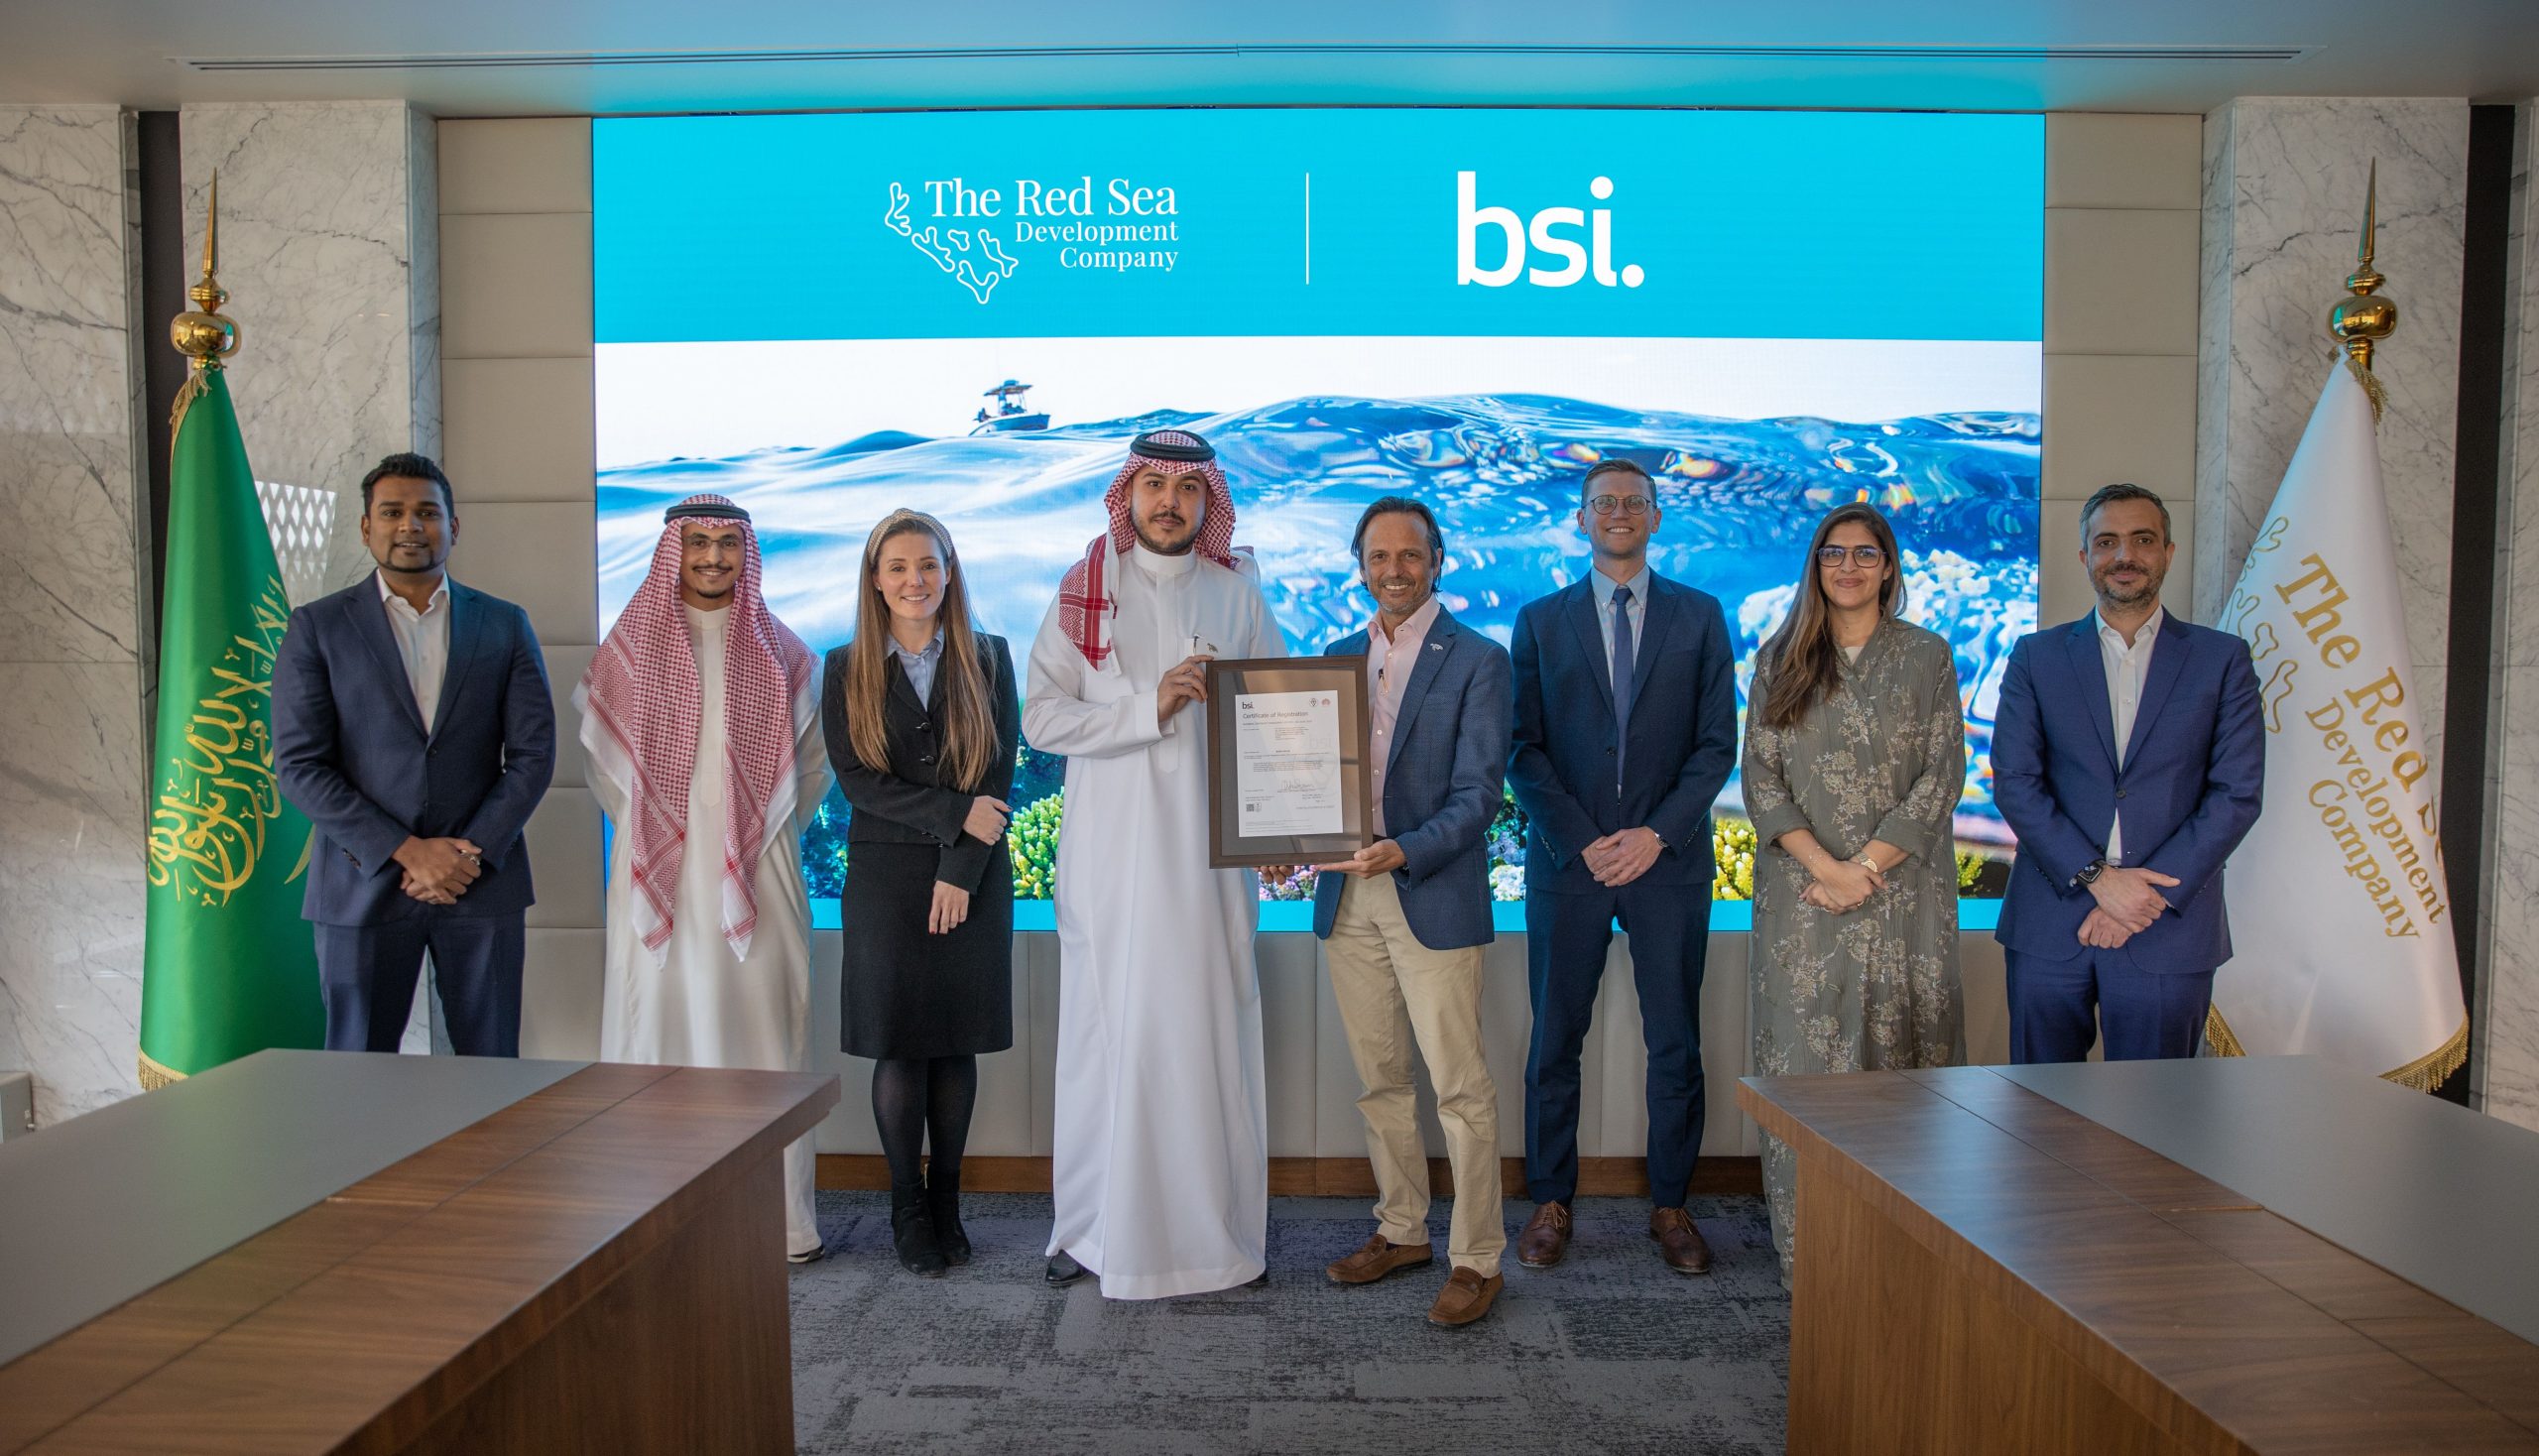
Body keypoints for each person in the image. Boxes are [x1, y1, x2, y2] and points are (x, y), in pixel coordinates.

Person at [1023, 428, 1287, 1299]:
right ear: (1128, 495)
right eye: (1154, 487)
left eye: (1187, 489)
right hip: (1109, 866)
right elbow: (1042, 720)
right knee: (1105, 1039)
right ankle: (1089, 1231)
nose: (1169, 503)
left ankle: (1219, 1242)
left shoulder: (1237, 595)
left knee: (1206, 1039)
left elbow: (1278, 721)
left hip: (1211, 873)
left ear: (1208, 503)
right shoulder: (1085, 592)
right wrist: (1149, 704)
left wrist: (1286, 835)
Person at [577, 494, 830, 1263]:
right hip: (658, 875)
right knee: (658, 1034)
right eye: (697, 543)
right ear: (673, 553)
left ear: (747, 552)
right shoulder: (631, 650)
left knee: (765, 1038)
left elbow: (811, 772)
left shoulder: (783, 654)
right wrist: (670, 829)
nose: (713, 557)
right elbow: (603, 769)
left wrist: (743, 833)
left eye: (727, 543)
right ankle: (652, 1217)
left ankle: (778, 1225)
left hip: (761, 871)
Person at [1507, 457, 1737, 1275]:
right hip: (1567, 864)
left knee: (1676, 1043)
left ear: (1656, 516)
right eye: (1603, 502)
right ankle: (1550, 1201)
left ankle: (1672, 1205)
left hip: (1668, 866)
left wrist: (1655, 835)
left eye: (1634, 502)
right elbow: (1522, 748)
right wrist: (1583, 838)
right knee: (1553, 1044)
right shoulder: (1539, 621)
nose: (1618, 513)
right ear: (1581, 519)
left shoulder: (1701, 616)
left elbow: (1717, 746)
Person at [1741, 503, 1968, 1287]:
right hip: (1804, 905)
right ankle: (1812, 1266)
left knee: (1906, 1073)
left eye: (1865, 554)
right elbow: (1760, 779)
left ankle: (1905, 1265)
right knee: (1808, 1076)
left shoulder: (1928, 656)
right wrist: (1827, 870)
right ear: (1816, 565)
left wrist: (1864, 869)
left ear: (1889, 566)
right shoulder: (1779, 660)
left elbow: (1943, 774)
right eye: (1833, 554)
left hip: (1906, 903)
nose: (1848, 567)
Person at [273, 451, 554, 1057]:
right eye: (392, 512)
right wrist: (406, 851)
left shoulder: (504, 624)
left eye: (427, 512)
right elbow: (299, 766)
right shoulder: (318, 628)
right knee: (359, 1071)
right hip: (360, 883)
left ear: (454, 526)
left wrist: (466, 855)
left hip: (480, 883)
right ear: (365, 527)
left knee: (491, 1068)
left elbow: (533, 755)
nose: (410, 525)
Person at [1309, 498, 1513, 1328]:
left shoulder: (1480, 660)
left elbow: (1479, 796)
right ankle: (1401, 1230)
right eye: (1379, 557)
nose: (1394, 570)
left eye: (1410, 555)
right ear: (1360, 567)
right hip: (1347, 897)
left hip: (1430, 889)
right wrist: (1288, 838)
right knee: (1381, 1082)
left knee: (1461, 1089)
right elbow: (1309, 780)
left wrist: (1404, 849)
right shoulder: (1333, 658)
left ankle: (1478, 1259)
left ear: (1437, 560)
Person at [1994, 482, 2264, 1063]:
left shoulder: (2222, 660)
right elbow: (2016, 782)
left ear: (2168, 552)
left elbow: (2236, 793)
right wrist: (2099, 879)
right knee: (2040, 1106)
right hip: (2050, 922)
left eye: (2142, 540)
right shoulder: (2035, 657)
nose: (2124, 555)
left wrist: (2141, 897)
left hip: (2167, 926)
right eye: (2107, 541)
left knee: (2154, 1110)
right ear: (2085, 556)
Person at [823, 509, 1020, 1277]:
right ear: (875, 579)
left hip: (975, 875)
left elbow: (996, 778)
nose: (915, 580)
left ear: (950, 571)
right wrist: (951, 815)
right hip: (886, 881)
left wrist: (960, 870)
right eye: (899, 567)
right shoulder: (844, 667)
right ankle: (907, 1207)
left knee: (955, 1041)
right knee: (901, 1044)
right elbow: (857, 782)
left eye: (928, 565)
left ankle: (947, 1205)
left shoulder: (991, 658)